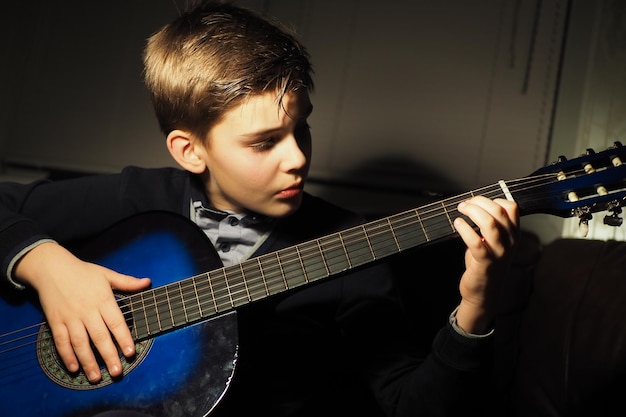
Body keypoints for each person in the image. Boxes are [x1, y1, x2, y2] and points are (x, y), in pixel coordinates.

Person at [0, 1, 519, 416]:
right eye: (264, 142)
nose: (297, 157)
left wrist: (475, 308)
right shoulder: (140, 198)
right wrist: (49, 266)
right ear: (190, 150)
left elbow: (409, 404)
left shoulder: (349, 244)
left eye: (302, 128)